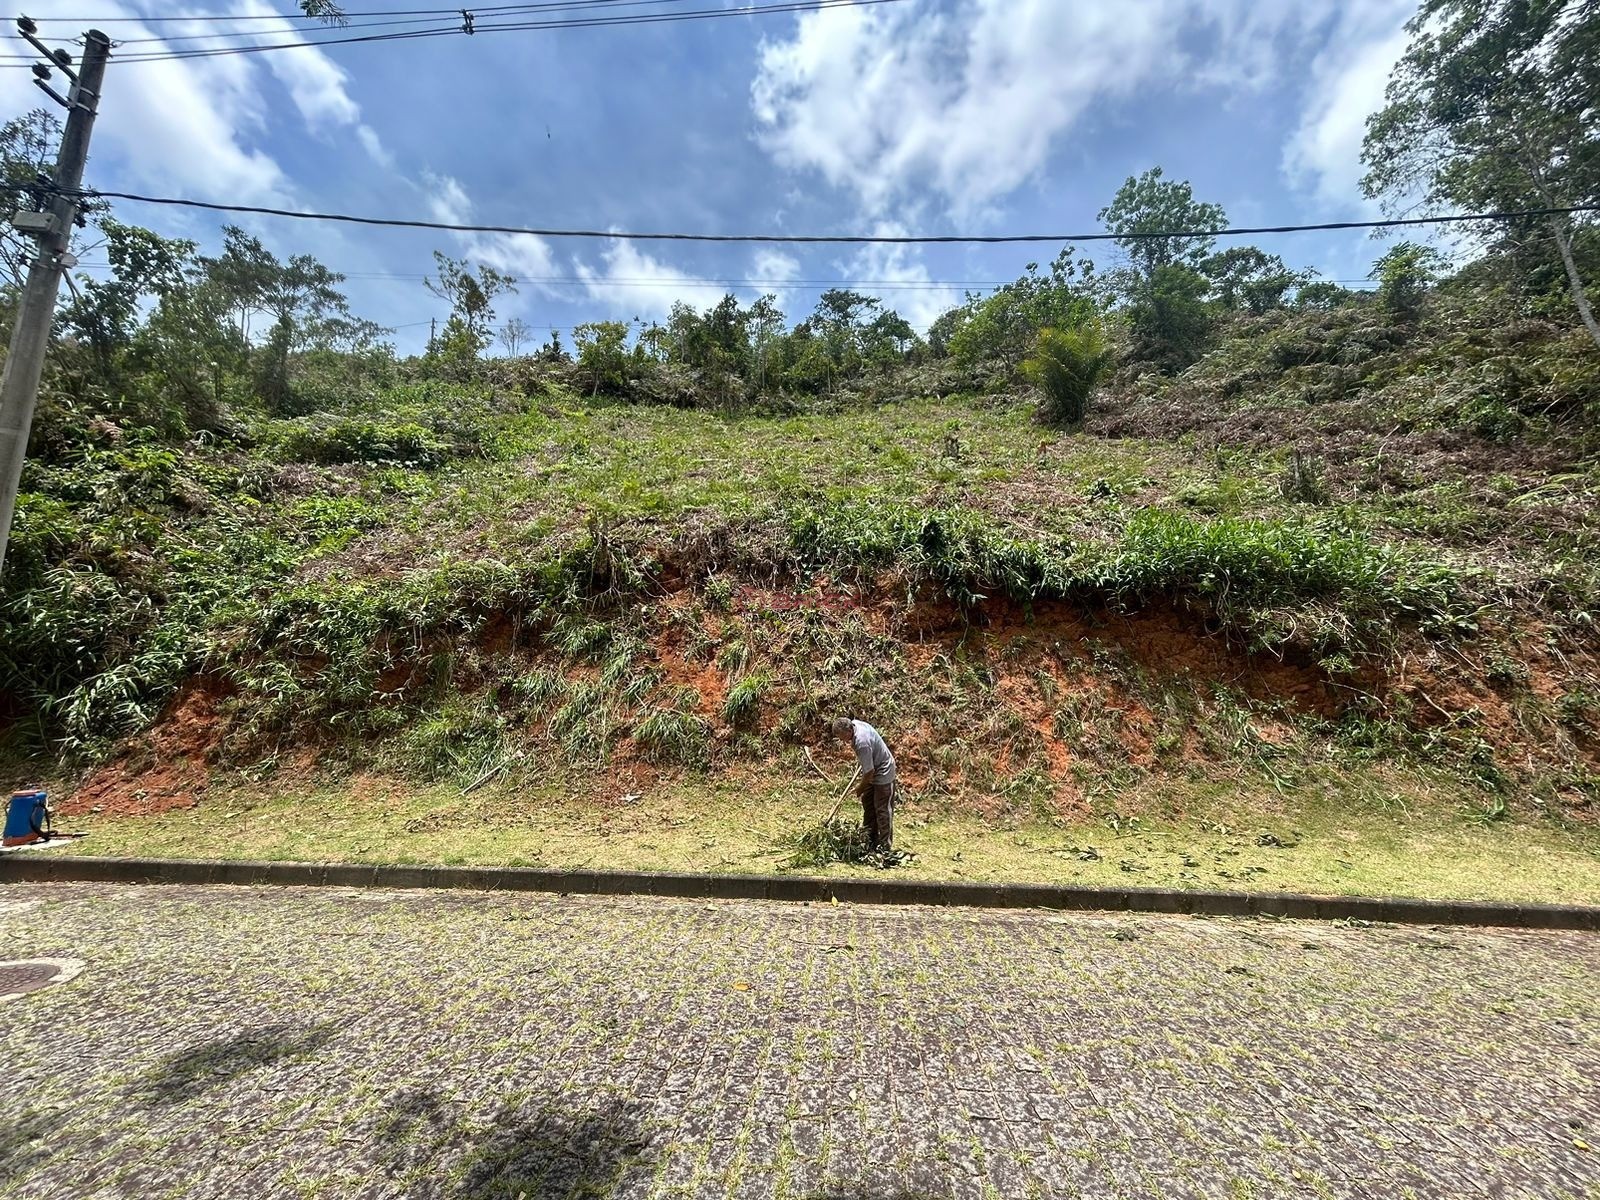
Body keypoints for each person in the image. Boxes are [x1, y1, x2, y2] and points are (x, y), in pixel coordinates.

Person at [831, 716, 896, 852]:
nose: (842, 740)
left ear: (849, 731)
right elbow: (868, 767)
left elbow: (869, 772)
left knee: (882, 810)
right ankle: (869, 840)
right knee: (868, 803)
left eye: (842, 736)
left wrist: (860, 788)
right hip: (873, 769)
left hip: (883, 772)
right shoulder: (855, 724)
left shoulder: (861, 743)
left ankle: (885, 846)